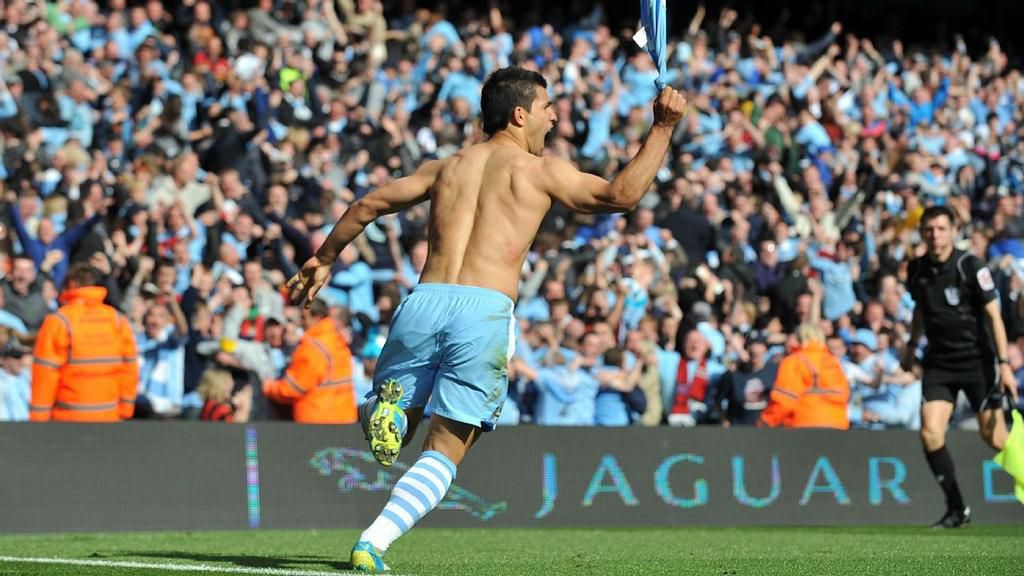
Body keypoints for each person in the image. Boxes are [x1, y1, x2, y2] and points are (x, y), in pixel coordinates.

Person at [286, 67, 687, 571]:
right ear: (520, 115)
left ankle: (382, 414)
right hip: (484, 310)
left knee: (392, 422)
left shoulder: (445, 166)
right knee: (445, 448)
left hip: (425, 300)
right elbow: (620, 196)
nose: (555, 116)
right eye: (547, 109)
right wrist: (663, 127)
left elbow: (368, 205)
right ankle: (372, 542)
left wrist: (324, 258)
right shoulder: (539, 170)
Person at [902, 205, 1019, 528]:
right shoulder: (916, 269)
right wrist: (912, 347)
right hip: (939, 362)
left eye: (941, 229)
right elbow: (920, 311)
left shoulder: (970, 266)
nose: (935, 235)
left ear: (953, 230)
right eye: (929, 229)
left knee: (994, 438)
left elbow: (994, 316)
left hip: (976, 361)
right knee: (930, 431)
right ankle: (957, 509)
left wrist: (1005, 363)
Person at [30, 264, 139, 422]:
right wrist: (126, 409)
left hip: (68, 418)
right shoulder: (117, 320)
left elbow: (45, 373)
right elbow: (130, 368)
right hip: (109, 414)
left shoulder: (59, 321)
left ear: (72, 284)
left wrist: (38, 418)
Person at [261, 299, 357, 424]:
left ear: (317, 317)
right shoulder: (335, 339)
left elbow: (293, 389)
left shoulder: (313, 348)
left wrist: (268, 387)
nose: (301, 322)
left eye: (303, 317)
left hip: (318, 422)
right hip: (344, 418)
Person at [758, 323, 850, 429]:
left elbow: (785, 399)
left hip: (803, 428)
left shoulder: (794, 361)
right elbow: (844, 394)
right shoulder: (833, 361)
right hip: (837, 427)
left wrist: (765, 421)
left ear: (799, 338)